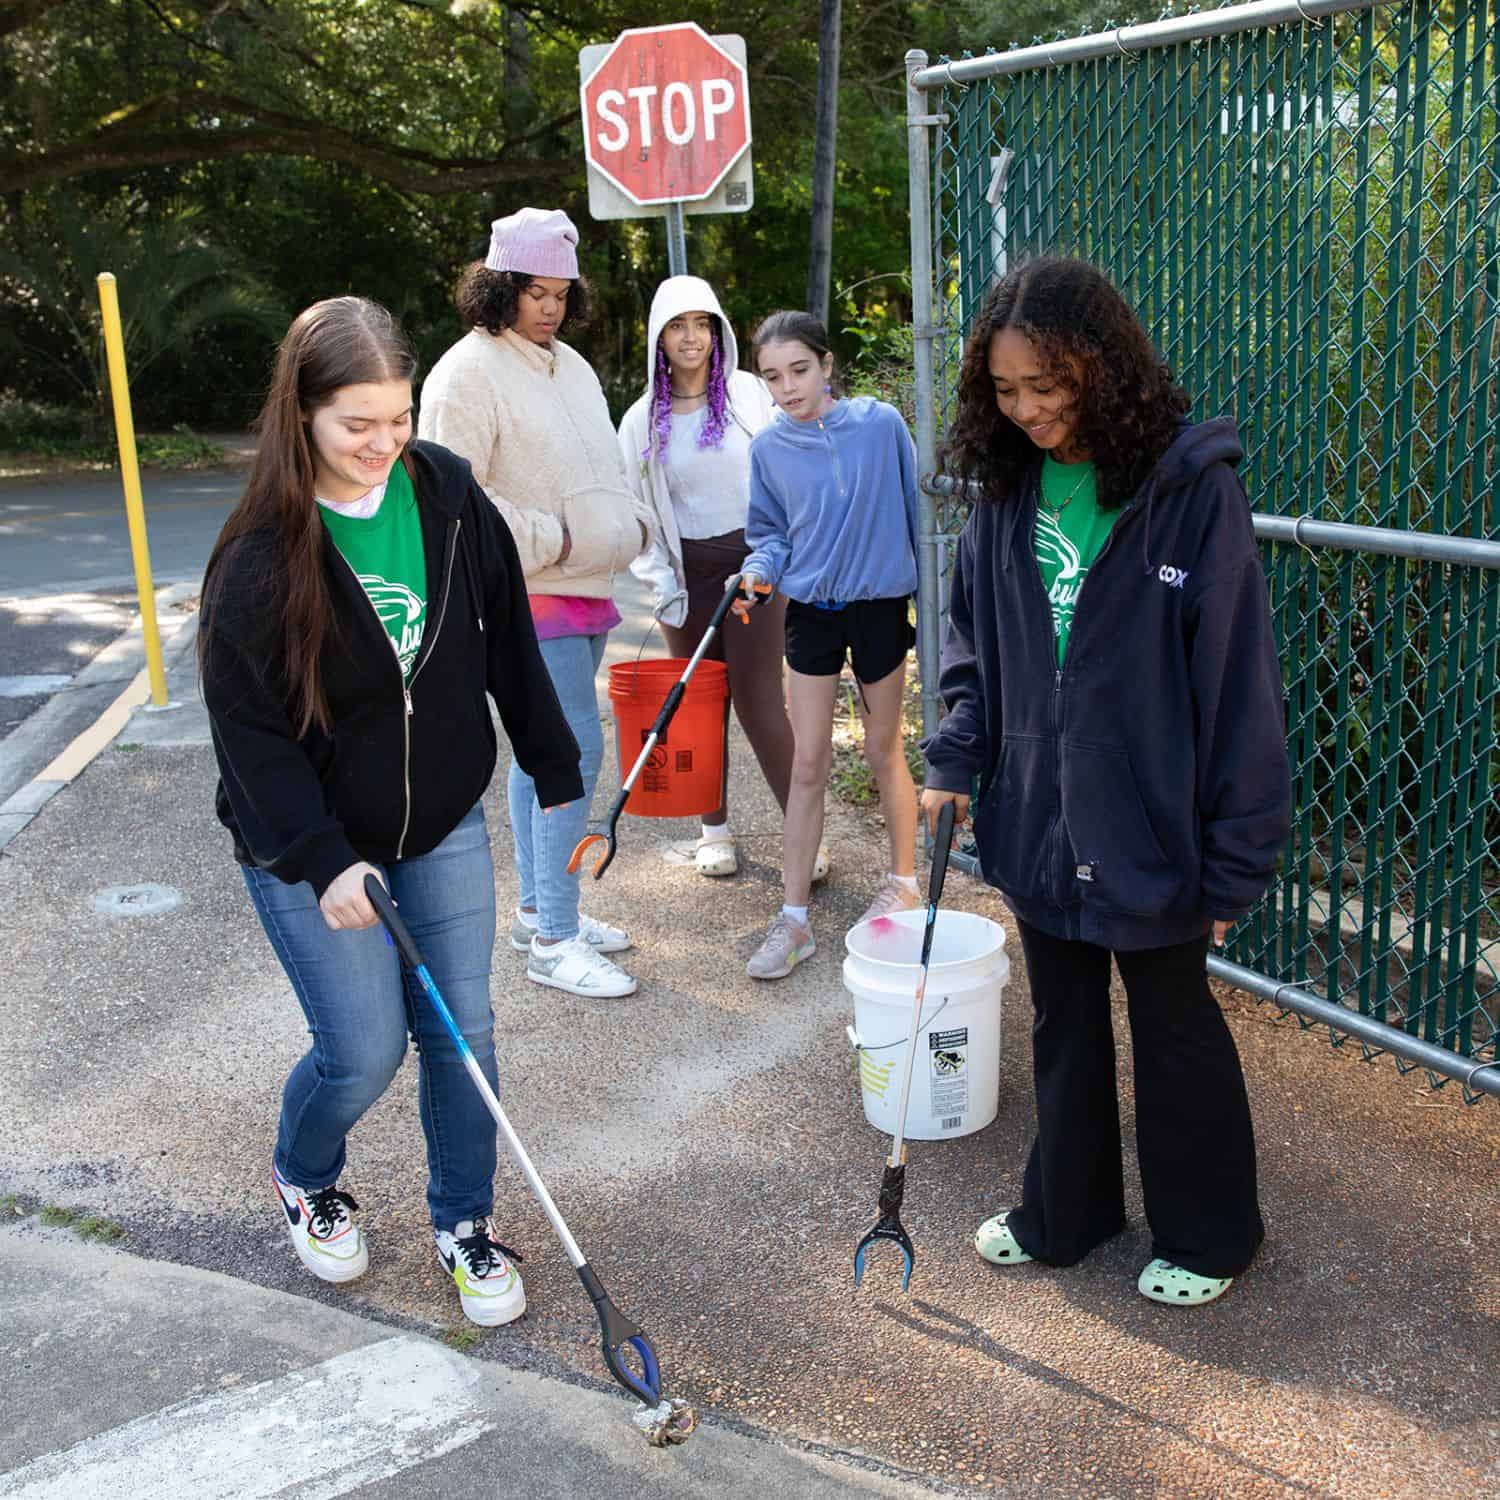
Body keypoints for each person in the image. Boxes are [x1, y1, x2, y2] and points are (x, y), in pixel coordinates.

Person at [199, 296, 584, 1328]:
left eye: (397, 417)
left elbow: (508, 633)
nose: (382, 445)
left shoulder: (448, 492)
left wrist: (554, 763)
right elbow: (250, 738)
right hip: (309, 846)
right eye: (355, 424)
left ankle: (465, 1224)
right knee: (363, 1050)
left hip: (442, 820)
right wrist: (324, 861)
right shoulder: (260, 557)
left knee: (463, 1033)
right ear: (304, 415)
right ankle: (304, 1171)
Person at [919, 256, 1291, 1306]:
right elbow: (972, 651)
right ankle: (1065, 1214)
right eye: (1006, 390)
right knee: (1064, 1020)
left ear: (1103, 371)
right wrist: (955, 755)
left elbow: (1235, 682)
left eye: (1050, 386)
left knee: (1174, 1025)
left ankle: (1214, 1233)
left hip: (1154, 826)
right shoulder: (1004, 490)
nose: (1028, 411)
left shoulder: (1192, 492)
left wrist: (1233, 859)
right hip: (1037, 815)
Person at [419, 207, 652, 999]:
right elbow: (453, 494)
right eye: (532, 291)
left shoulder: (572, 366)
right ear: (498, 287)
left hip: (586, 586)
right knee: (571, 751)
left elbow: (603, 469)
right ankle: (554, 939)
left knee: (540, 759)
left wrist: (627, 522)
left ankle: (540, 909)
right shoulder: (466, 373)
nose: (549, 307)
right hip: (524, 591)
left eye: (560, 293)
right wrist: (551, 536)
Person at [618, 275, 827, 883]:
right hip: (688, 574)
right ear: (659, 337)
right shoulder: (640, 420)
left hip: (757, 564)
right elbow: (636, 509)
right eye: (678, 326)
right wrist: (661, 580)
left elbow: (791, 465)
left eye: (702, 324)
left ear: (718, 332)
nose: (692, 338)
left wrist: (783, 555)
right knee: (699, 702)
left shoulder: (747, 396)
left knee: (761, 699)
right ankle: (714, 832)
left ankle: (804, 835)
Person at [735, 310, 921, 980]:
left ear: (827, 364)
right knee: (808, 763)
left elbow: (915, 512)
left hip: (878, 609)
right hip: (811, 611)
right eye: (772, 377)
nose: (787, 387)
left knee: (881, 748)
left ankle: (903, 883)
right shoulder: (768, 450)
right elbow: (772, 535)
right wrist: (759, 571)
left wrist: (934, 610)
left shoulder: (880, 426)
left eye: (799, 370)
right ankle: (793, 921)